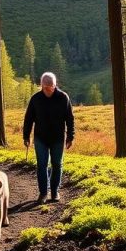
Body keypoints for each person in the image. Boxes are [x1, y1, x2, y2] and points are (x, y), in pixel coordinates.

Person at [23, 72, 74, 203]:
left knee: (57, 164)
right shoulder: (36, 99)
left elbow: (70, 119)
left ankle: (55, 191)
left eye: (50, 86)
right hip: (40, 138)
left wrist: (70, 137)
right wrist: (26, 136)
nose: (48, 89)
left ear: (55, 85)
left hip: (58, 138)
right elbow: (28, 119)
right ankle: (43, 193)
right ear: (41, 86)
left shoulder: (63, 98)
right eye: (45, 87)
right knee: (42, 165)